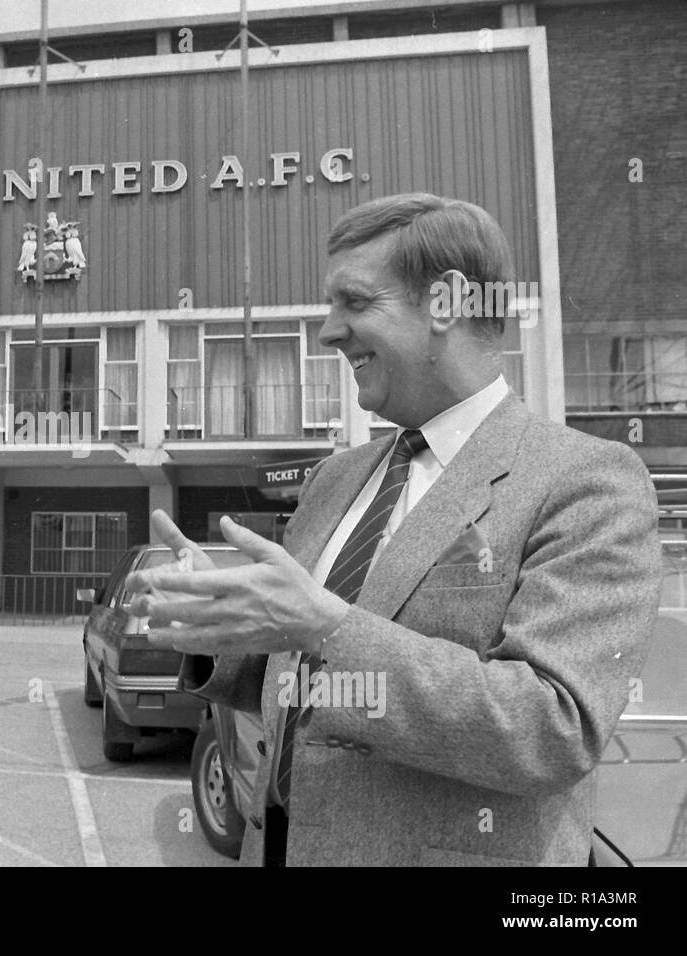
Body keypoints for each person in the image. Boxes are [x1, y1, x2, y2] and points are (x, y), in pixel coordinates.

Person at [129, 193, 661, 866]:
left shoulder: (587, 480)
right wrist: (221, 631)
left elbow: (550, 729)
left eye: (354, 302)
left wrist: (329, 629)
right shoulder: (334, 479)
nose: (328, 331)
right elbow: (293, 677)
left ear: (446, 302)